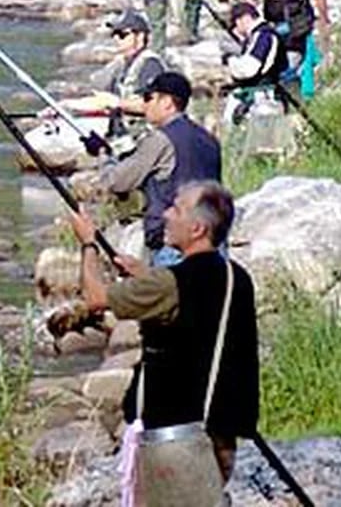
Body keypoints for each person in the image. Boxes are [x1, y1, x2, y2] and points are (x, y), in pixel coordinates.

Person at [67, 181, 259, 505]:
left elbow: (95, 298)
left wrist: (88, 244)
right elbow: (196, 313)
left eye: (177, 209)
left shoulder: (169, 282)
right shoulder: (235, 276)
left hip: (174, 440)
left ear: (197, 228)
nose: (167, 214)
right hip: (220, 433)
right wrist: (143, 274)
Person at [89, 71, 222, 267]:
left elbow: (117, 182)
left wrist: (102, 153)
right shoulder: (208, 139)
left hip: (174, 247)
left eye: (148, 98)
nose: (144, 105)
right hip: (211, 243)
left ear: (167, 102)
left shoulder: (160, 139)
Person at [256, 0, 330, 92]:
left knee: (294, 63)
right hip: (276, 27)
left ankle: (299, 87)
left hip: (298, 29)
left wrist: (324, 20)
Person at [91, 9, 167, 119]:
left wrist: (117, 103)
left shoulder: (150, 64)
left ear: (140, 37)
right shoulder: (121, 64)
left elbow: (153, 104)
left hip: (143, 133)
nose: (116, 39)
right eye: (114, 34)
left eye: (122, 34)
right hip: (117, 131)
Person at [222, 2, 287, 124]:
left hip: (262, 97)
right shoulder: (260, 35)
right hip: (261, 95)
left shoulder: (263, 36)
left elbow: (249, 68)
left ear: (244, 18)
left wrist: (230, 60)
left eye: (235, 23)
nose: (236, 29)